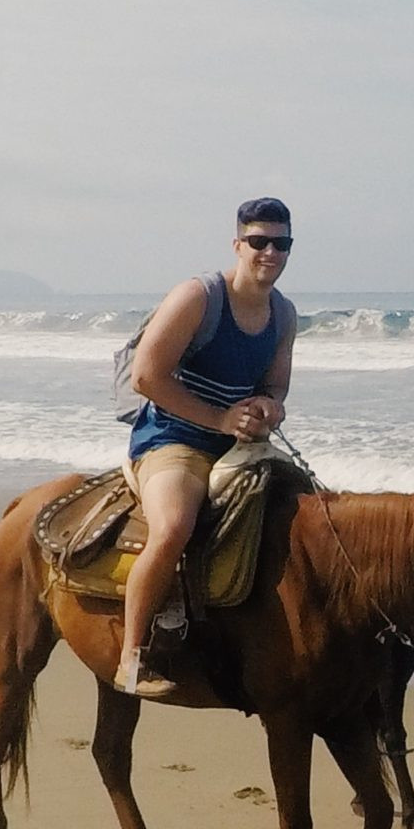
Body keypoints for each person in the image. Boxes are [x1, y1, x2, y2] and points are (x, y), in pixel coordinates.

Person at [115, 197, 298, 698]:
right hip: (173, 438)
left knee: (309, 512)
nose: (270, 253)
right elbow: (146, 376)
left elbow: (276, 386)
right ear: (238, 245)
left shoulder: (284, 314)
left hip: (237, 444)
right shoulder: (199, 297)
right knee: (174, 526)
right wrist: (219, 417)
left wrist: (269, 407)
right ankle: (132, 657)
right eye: (259, 242)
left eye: (280, 243)